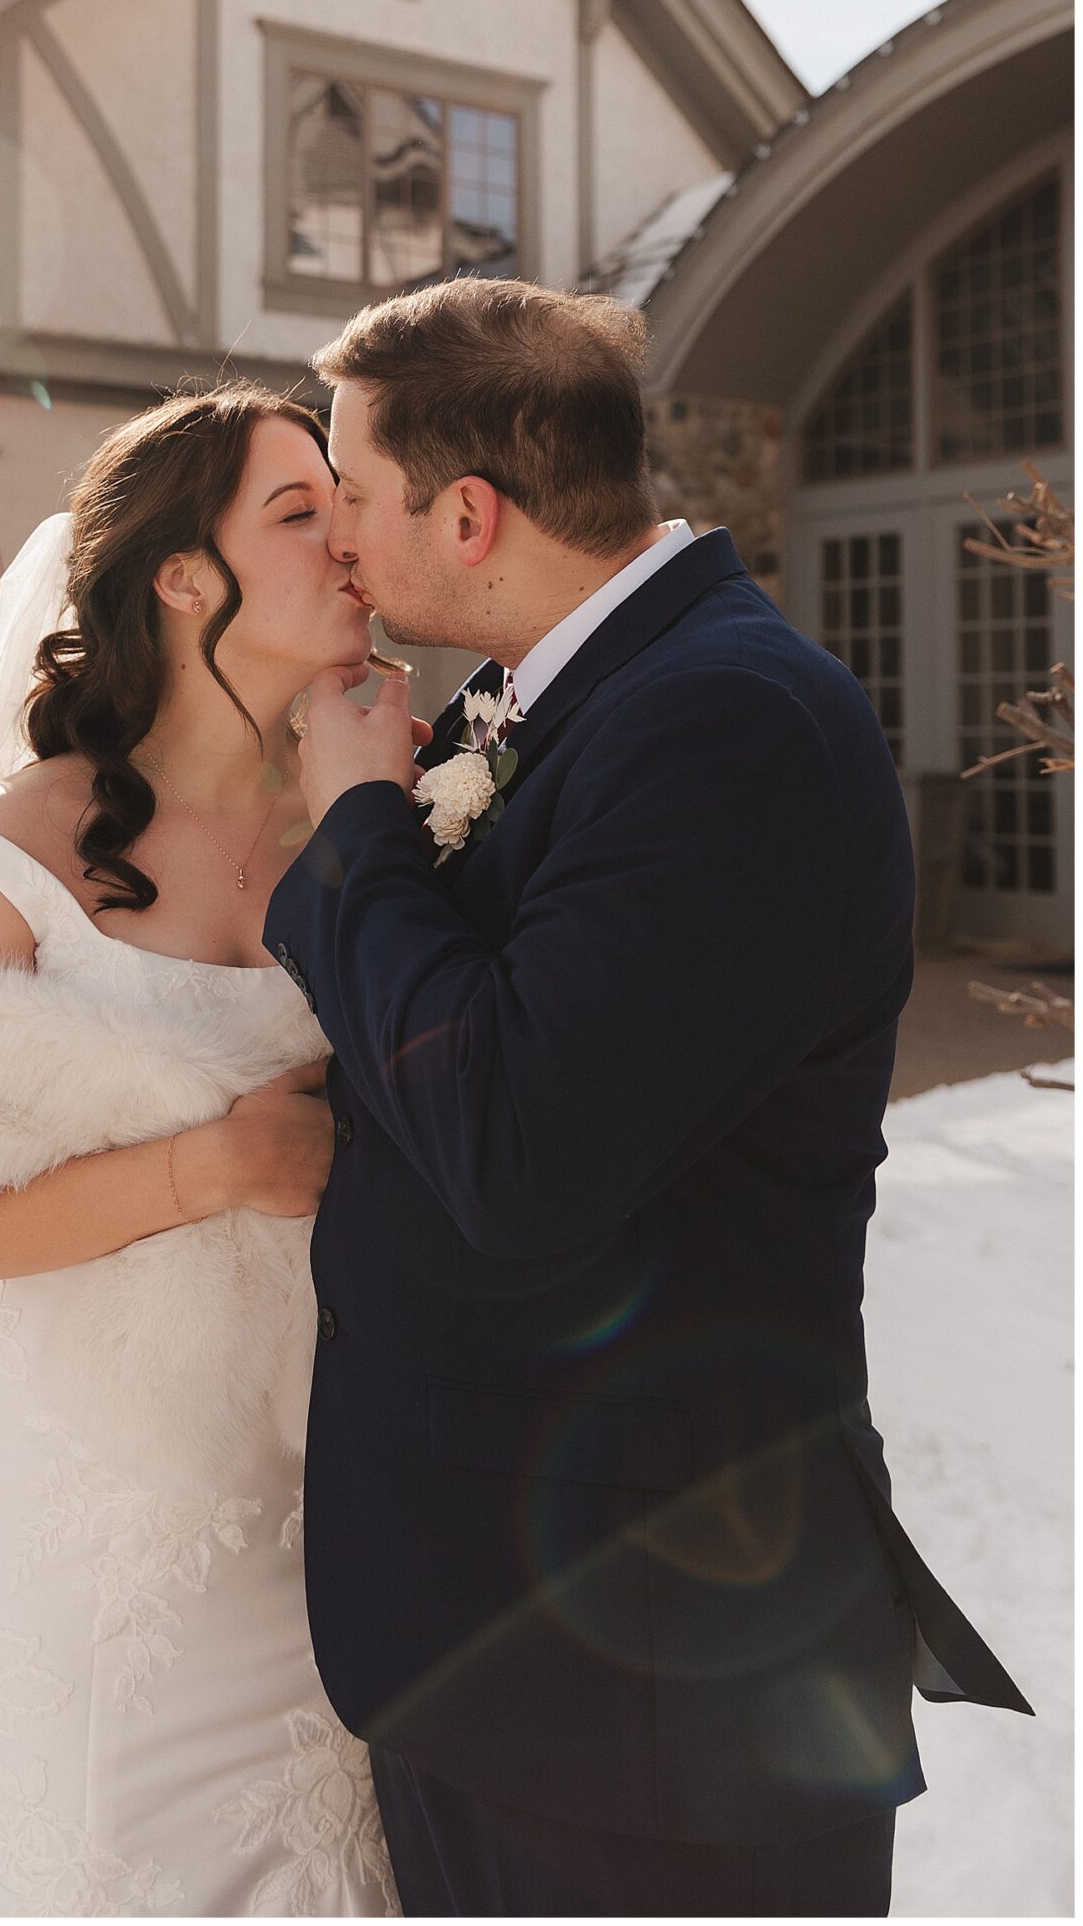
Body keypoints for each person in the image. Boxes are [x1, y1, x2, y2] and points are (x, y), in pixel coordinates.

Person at [261, 274, 1032, 1919]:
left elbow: (514, 1149)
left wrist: (354, 836)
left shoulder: (735, 725)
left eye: (355, 497)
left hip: (651, 1698)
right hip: (495, 1652)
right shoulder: (537, 704)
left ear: (467, 513)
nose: (338, 540)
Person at [0, 385, 401, 1918]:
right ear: (183, 575)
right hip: (103, 1509)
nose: (351, 544)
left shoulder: (375, 819)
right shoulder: (15, 846)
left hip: (347, 1487)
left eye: (347, 503)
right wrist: (216, 1169)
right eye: (299, 512)